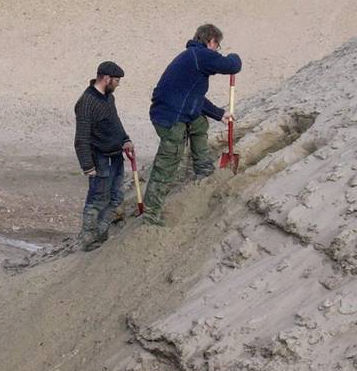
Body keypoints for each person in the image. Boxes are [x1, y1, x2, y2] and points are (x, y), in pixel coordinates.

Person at [142, 24, 242, 225]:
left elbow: (195, 98)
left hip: (176, 111)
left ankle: (203, 168)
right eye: (218, 46)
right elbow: (232, 65)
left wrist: (219, 114)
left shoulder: (191, 58)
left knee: (199, 124)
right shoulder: (199, 55)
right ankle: (151, 214)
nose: (217, 50)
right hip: (170, 118)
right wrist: (234, 56)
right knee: (168, 161)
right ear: (211, 41)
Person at [74, 60, 134, 250]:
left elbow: (115, 122)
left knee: (116, 197)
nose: (118, 84)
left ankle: (101, 234)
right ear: (106, 79)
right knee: (97, 200)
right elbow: (81, 138)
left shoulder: (109, 98)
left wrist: (125, 139)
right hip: (99, 159)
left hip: (116, 155)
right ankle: (89, 240)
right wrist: (88, 166)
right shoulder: (86, 103)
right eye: (116, 80)